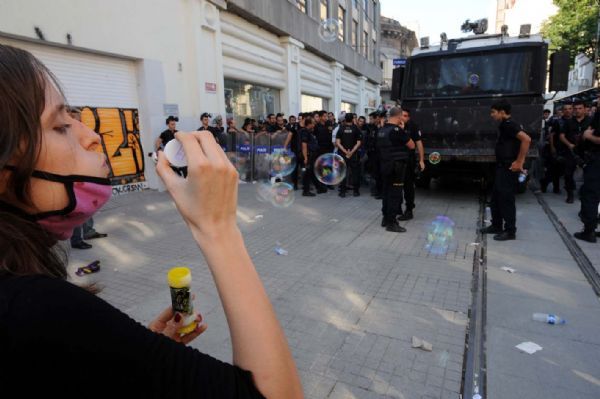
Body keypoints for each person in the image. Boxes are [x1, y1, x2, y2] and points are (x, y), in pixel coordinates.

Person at [0, 44, 302, 398]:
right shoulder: (38, 310)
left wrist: (127, 359)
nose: (92, 136)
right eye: (61, 124)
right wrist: (217, 228)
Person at [481, 100, 531, 241]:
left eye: (493, 112)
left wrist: (519, 161)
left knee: (506, 200)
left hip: (508, 168)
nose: (492, 115)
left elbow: (526, 140)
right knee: (496, 199)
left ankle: (510, 231)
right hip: (501, 167)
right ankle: (496, 225)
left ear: (502, 112)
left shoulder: (510, 125)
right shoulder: (505, 125)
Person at [377, 107, 415, 233]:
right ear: (399, 117)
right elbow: (412, 145)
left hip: (385, 165)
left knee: (386, 192)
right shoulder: (397, 130)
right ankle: (392, 223)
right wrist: (404, 130)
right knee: (395, 194)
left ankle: (385, 218)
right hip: (397, 167)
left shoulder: (382, 130)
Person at [574, 110, 600, 242]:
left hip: (597, 162)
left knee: (590, 194)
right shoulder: (597, 115)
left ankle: (589, 231)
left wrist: (589, 136)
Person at [398, 109, 425, 221]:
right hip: (397, 160)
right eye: (401, 115)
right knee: (397, 185)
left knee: (408, 186)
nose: (402, 117)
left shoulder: (413, 126)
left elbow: (419, 144)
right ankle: (397, 208)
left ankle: (409, 210)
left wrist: (421, 160)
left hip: (408, 160)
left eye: (404, 115)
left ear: (408, 117)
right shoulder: (396, 125)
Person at [336, 113, 363, 197]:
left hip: (343, 154)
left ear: (345, 119)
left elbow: (337, 143)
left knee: (343, 172)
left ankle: (342, 192)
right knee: (355, 173)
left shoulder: (341, 128)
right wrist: (351, 152)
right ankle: (356, 191)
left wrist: (345, 151)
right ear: (352, 119)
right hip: (353, 154)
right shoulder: (356, 129)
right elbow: (359, 143)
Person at [556, 102, 578, 203]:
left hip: (583, 151)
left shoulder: (588, 121)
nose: (568, 111)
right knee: (565, 172)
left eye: (570, 109)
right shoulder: (559, 122)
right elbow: (556, 136)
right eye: (566, 109)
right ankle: (570, 193)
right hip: (566, 150)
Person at [300, 116, 323, 196]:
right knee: (307, 173)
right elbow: (304, 145)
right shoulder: (305, 132)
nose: (314, 125)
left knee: (311, 172)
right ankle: (306, 191)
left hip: (312, 155)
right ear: (309, 124)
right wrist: (305, 157)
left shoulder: (309, 131)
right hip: (308, 156)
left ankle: (319, 188)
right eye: (313, 123)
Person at [540, 108, 561, 194]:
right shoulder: (555, 121)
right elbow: (551, 135)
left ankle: (555, 187)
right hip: (553, 148)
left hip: (560, 148)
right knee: (552, 169)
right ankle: (545, 185)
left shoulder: (562, 121)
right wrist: (552, 147)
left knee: (558, 170)